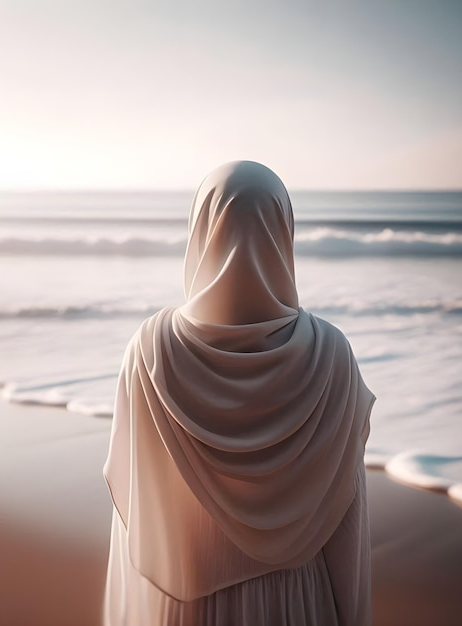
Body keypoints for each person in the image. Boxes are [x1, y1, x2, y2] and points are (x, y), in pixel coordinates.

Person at [103, 161, 375, 626]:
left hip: (181, 601)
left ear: (201, 231)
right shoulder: (331, 354)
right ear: (284, 233)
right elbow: (346, 512)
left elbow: (133, 513)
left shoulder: (150, 349)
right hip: (296, 601)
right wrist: (350, 614)